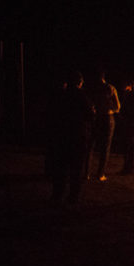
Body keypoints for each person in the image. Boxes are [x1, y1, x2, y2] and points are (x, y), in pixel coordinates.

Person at [50, 71, 94, 205]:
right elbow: (90, 115)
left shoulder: (60, 95)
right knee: (76, 169)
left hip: (62, 136)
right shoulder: (82, 96)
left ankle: (57, 195)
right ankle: (73, 197)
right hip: (77, 137)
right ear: (79, 82)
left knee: (61, 168)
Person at [87, 69, 120, 181]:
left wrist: (95, 110)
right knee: (105, 147)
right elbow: (117, 106)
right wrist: (110, 109)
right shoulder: (110, 88)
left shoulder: (93, 89)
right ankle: (100, 174)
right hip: (107, 118)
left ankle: (86, 172)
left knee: (91, 145)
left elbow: (90, 104)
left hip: (97, 118)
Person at [119, 81, 134, 174]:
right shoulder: (126, 95)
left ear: (130, 86)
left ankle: (131, 168)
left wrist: (129, 117)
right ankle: (127, 167)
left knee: (131, 145)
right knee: (127, 145)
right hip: (128, 123)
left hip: (132, 124)